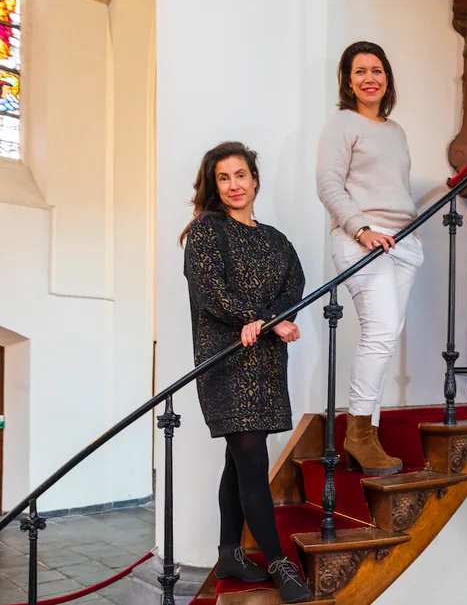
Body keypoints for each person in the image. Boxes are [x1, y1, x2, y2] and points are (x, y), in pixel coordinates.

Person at [181, 141, 313, 604]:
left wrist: (274, 318)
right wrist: (254, 318)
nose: (234, 185)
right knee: (253, 460)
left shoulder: (277, 240)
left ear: (255, 179)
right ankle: (277, 560)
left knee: (239, 461)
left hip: (266, 359)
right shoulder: (205, 232)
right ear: (214, 186)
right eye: (224, 178)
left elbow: (294, 286)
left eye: (241, 175)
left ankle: (229, 551)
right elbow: (209, 293)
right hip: (226, 358)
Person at [316, 41, 423, 476]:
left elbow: (395, 188)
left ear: (387, 78)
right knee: (378, 331)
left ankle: (369, 431)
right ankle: (357, 435)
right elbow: (328, 184)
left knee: (385, 337)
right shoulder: (342, 123)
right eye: (359, 71)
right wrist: (361, 229)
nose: (370, 78)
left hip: (404, 242)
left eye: (376, 69)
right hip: (361, 237)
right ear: (347, 81)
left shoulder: (396, 131)